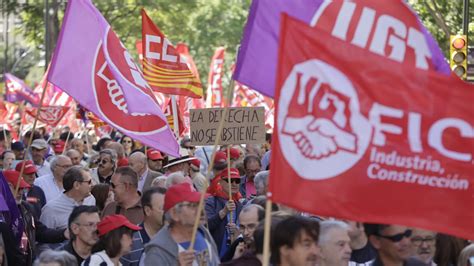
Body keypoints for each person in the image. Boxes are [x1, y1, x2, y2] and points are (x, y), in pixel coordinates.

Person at [141, 183, 220, 265]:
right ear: (174, 214)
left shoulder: (203, 233)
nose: (200, 210)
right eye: (192, 205)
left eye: (201, 203)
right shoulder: (157, 251)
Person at [4, 170, 68, 265]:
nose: (21, 192)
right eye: (18, 188)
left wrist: (64, 233)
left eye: (23, 189)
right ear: (6, 188)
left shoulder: (26, 208)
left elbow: (40, 232)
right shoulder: (2, 213)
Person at [121, 187, 166, 265]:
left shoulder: (173, 239)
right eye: (163, 208)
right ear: (147, 210)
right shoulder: (130, 240)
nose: (167, 212)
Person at [40, 166, 96, 230]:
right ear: (76, 185)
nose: (93, 184)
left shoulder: (91, 199)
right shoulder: (51, 209)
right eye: (89, 182)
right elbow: (44, 237)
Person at [205, 168, 243, 257]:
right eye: (230, 180)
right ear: (221, 182)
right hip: (216, 253)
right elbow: (206, 226)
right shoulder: (211, 201)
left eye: (237, 181)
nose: (234, 184)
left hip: (233, 254)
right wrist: (223, 212)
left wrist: (238, 230)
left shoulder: (240, 205)